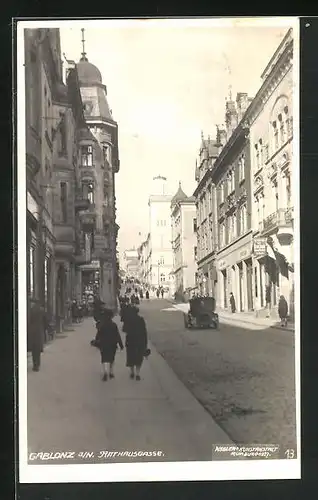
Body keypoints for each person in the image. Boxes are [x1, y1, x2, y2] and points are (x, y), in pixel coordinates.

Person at [95, 309, 124, 381]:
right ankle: (111, 372)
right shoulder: (114, 325)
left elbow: (98, 334)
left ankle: (105, 372)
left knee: (104, 358)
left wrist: (96, 342)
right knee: (112, 358)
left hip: (103, 343)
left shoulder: (101, 325)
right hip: (112, 344)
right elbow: (117, 335)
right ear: (111, 316)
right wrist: (121, 344)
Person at [123, 307, 148, 381]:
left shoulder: (128, 320)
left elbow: (124, 329)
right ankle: (137, 374)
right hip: (139, 340)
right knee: (139, 357)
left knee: (131, 356)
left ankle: (132, 372)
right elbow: (144, 331)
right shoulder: (141, 319)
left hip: (130, 340)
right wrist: (145, 342)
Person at [28, 301, 45, 372]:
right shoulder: (41, 310)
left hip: (32, 331)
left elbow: (29, 320)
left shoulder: (31, 310)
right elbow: (44, 320)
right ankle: (37, 365)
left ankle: (35, 365)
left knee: (34, 350)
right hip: (39, 331)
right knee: (37, 349)